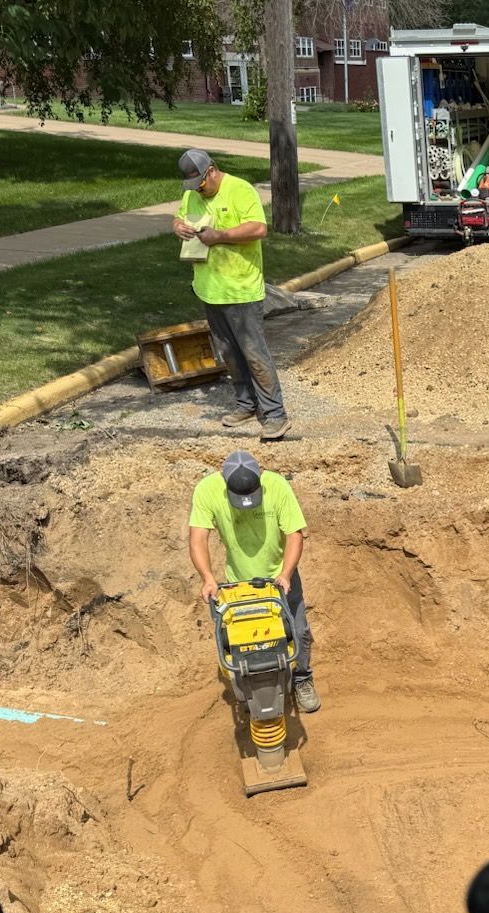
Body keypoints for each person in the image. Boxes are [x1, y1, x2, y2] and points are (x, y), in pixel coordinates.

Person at [189, 450, 320, 714]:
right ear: (225, 484)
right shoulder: (207, 490)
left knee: (298, 629)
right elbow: (197, 537)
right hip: (236, 583)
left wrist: (285, 573)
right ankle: (248, 687)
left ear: (261, 478)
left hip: (279, 577)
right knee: (236, 640)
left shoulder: (277, 487)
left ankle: (302, 679)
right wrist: (208, 579)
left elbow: (294, 535)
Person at [174, 149, 291, 441]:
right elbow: (179, 218)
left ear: (212, 170)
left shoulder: (240, 189)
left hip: (241, 290)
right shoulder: (192, 194)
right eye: (193, 186)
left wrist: (221, 236)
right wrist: (177, 226)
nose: (198, 190)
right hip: (210, 289)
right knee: (229, 353)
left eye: (201, 183)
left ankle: (275, 414)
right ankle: (246, 404)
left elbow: (259, 228)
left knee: (254, 353)